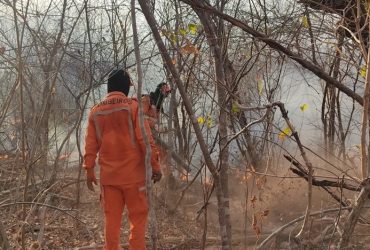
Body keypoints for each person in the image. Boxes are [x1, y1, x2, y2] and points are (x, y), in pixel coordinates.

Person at [83, 69, 162, 250]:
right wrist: (155, 166)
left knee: (111, 221)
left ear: (109, 87)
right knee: (138, 219)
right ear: (126, 87)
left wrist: (88, 169)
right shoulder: (133, 107)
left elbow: (90, 144)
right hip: (135, 179)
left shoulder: (95, 111)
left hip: (110, 180)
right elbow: (145, 140)